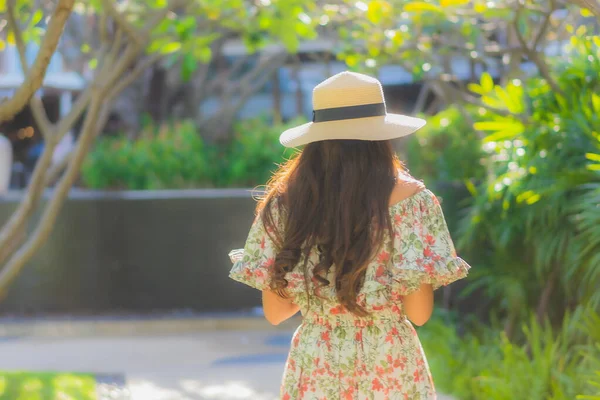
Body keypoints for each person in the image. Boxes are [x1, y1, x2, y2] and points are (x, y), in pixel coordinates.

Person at [229, 71, 471, 400]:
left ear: (316, 140)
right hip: (389, 364)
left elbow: (276, 312)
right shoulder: (415, 202)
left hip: (317, 363)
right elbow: (419, 313)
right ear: (381, 136)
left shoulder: (286, 203)